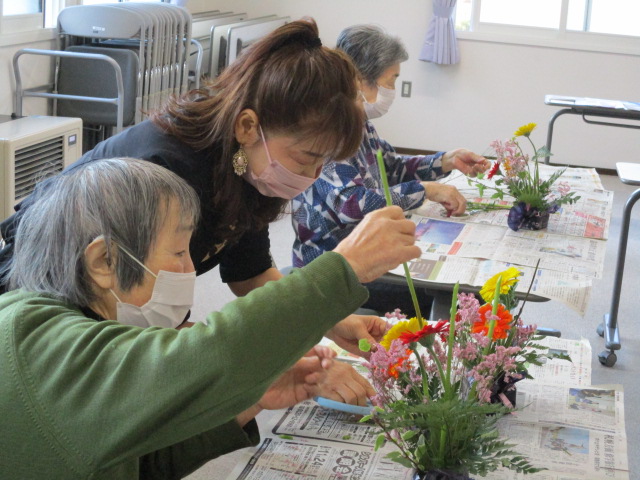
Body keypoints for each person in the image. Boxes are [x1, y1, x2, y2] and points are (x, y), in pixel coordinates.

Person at [0, 157, 420, 479]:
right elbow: (209, 354)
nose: (190, 271)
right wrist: (343, 268)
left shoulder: (70, 336)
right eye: (179, 252)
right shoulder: (28, 336)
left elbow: (132, 462)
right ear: (104, 261)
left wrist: (248, 399)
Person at [0, 19, 387, 357]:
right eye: (307, 158)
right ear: (248, 127)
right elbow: (133, 314)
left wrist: (330, 321)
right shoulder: (166, 174)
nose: (313, 175)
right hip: (57, 306)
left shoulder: (245, 165)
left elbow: (250, 274)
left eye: (324, 163)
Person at [291, 24, 490, 315]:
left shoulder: (358, 121)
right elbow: (352, 203)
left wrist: (445, 161)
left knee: (469, 284)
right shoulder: (328, 129)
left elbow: (390, 168)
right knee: (465, 297)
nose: (392, 91)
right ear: (359, 78)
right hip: (333, 268)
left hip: (365, 254)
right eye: (391, 80)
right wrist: (426, 191)